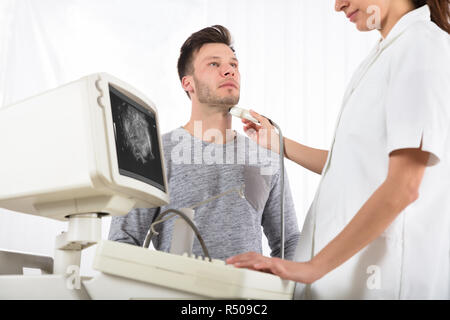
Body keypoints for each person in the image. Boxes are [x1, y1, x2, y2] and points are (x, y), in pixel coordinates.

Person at [227, 0, 450, 299]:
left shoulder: (421, 46)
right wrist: (279, 144)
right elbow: (349, 165)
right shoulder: (384, 55)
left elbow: (404, 186)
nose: (337, 5)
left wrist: (311, 268)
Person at [108, 25, 301, 261]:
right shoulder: (153, 154)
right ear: (188, 83)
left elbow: (288, 241)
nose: (229, 71)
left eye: (233, 64)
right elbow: (124, 241)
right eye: (214, 64)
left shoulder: (266, 155)